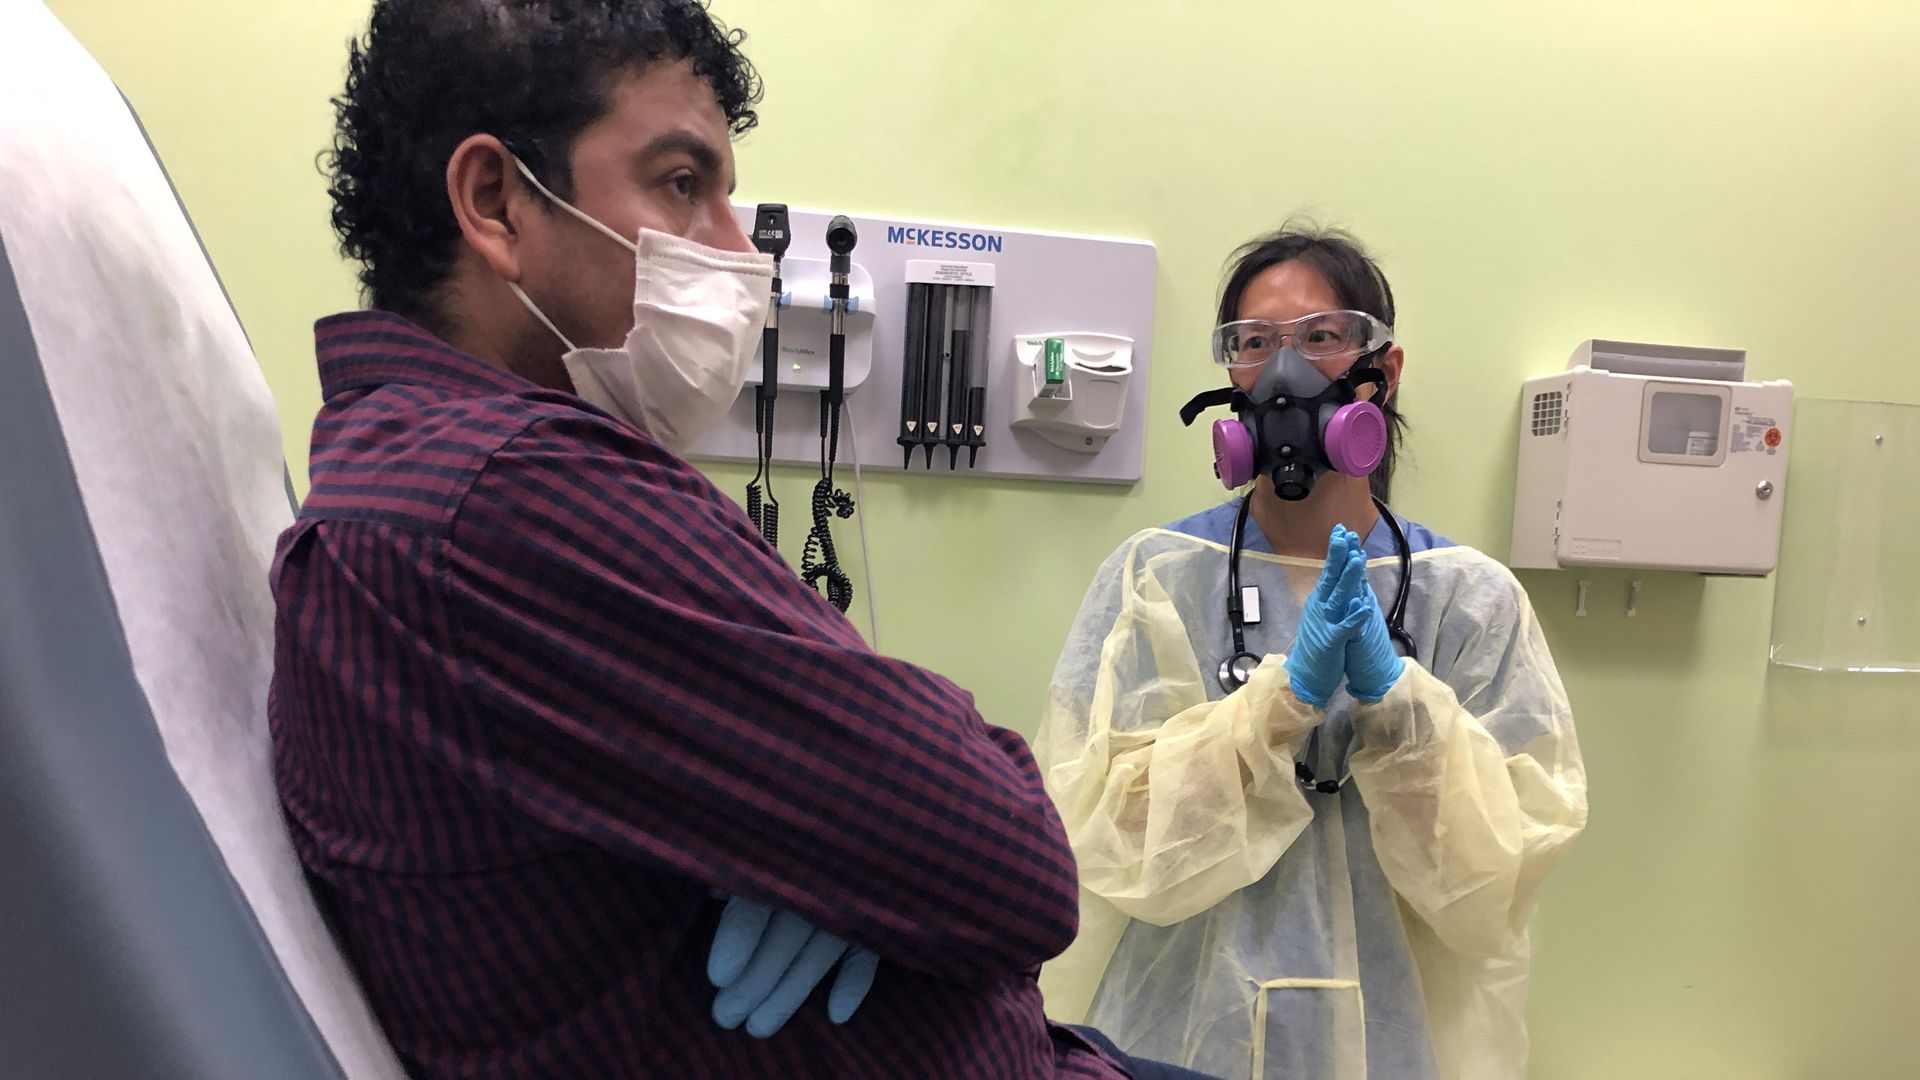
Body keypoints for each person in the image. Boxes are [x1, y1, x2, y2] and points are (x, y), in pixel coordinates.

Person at [271, 2, 1222, 1078]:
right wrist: (871, 850)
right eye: (683, 184)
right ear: (496, 202)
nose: (740, 252)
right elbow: (1014, 860)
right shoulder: (513, 494)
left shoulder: (406, 472)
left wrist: (842, 850)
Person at [1034, 225, 1589, 1080]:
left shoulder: (1470, 600)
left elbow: (1496, 881)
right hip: (1178, 1037)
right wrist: (1276, 707)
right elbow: (1104, 841)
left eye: (1322, 336)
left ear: (1384, 369)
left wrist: (1402, 716)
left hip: (1399, 1045)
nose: (1284, 372)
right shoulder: (1157, 579)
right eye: (1255, 343)